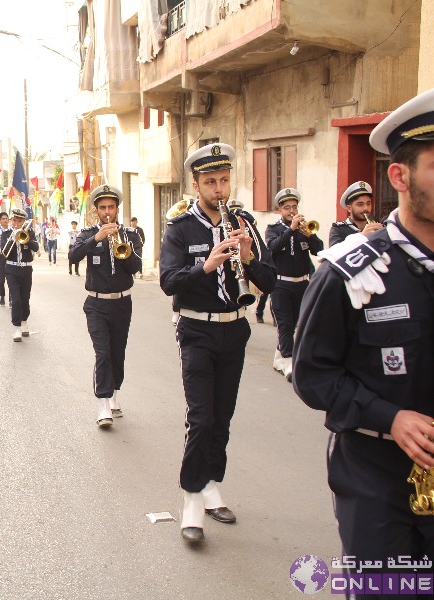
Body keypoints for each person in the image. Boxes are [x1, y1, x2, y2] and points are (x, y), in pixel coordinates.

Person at [293, 88, 434, 593]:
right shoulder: (352, 272)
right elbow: (312, 375)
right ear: (400, 176)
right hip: (377, 479)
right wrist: (390, 417)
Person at [159, 143, 276, 544]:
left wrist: (248, 255)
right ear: (196, 184)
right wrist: (205, 266)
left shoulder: (242, 220)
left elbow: (270, 280)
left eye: (224, 180)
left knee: (222, 417)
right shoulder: (180, 227)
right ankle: (191, 498)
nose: (219, 189)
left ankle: (210, 483)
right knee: (202, 416)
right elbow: (168, 282)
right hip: (195, 329)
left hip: (234, 329)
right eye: (211, 182)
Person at [69, 186, 143, 426]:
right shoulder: (87, 233)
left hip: (123, 302)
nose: (107, 212)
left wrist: (123, 248)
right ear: (96, 210)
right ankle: (103, 402)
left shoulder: (130, 234)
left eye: (111, 207)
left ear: (117, 209)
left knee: (117, 352)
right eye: (103, 208)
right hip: (96, 303)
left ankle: (114, 392)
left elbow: (136, 267)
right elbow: (73, 256)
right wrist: (96, 239)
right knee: (102, 352)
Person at [264, 189, 323, 380]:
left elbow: (319, 250)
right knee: (285, 324)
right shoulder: (274, 229)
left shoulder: (303, 230)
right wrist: (291, 230)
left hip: (302, 284)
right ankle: (288, 362)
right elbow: (273, 248)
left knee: (297, 324)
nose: (291, 210)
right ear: (279, 210)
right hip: (281, 284)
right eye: (287, 207)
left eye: (294, 207)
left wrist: (308, 234)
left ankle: (279, 356)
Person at [0, 208, 39, 341]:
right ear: (11, 221)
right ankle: (16, 328)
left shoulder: (29, 232)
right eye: (14, 220)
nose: (16, 223)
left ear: (23, 221)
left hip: (26, 270)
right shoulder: (6, 234)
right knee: (15, 299)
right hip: (11, 269)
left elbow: (36, 247)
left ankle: (24, 322)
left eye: (19, 221)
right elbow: (4, 252)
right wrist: (14, 238)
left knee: (25, 298)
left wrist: (24, 238)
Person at [329, 181, 385, 247]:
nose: (366, 208)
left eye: (368, 203)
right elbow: (335, 253)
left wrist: (383, 234)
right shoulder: (338, 229)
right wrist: (362, 236)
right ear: (349, 208)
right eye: (360, 204)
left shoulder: (379, 226)